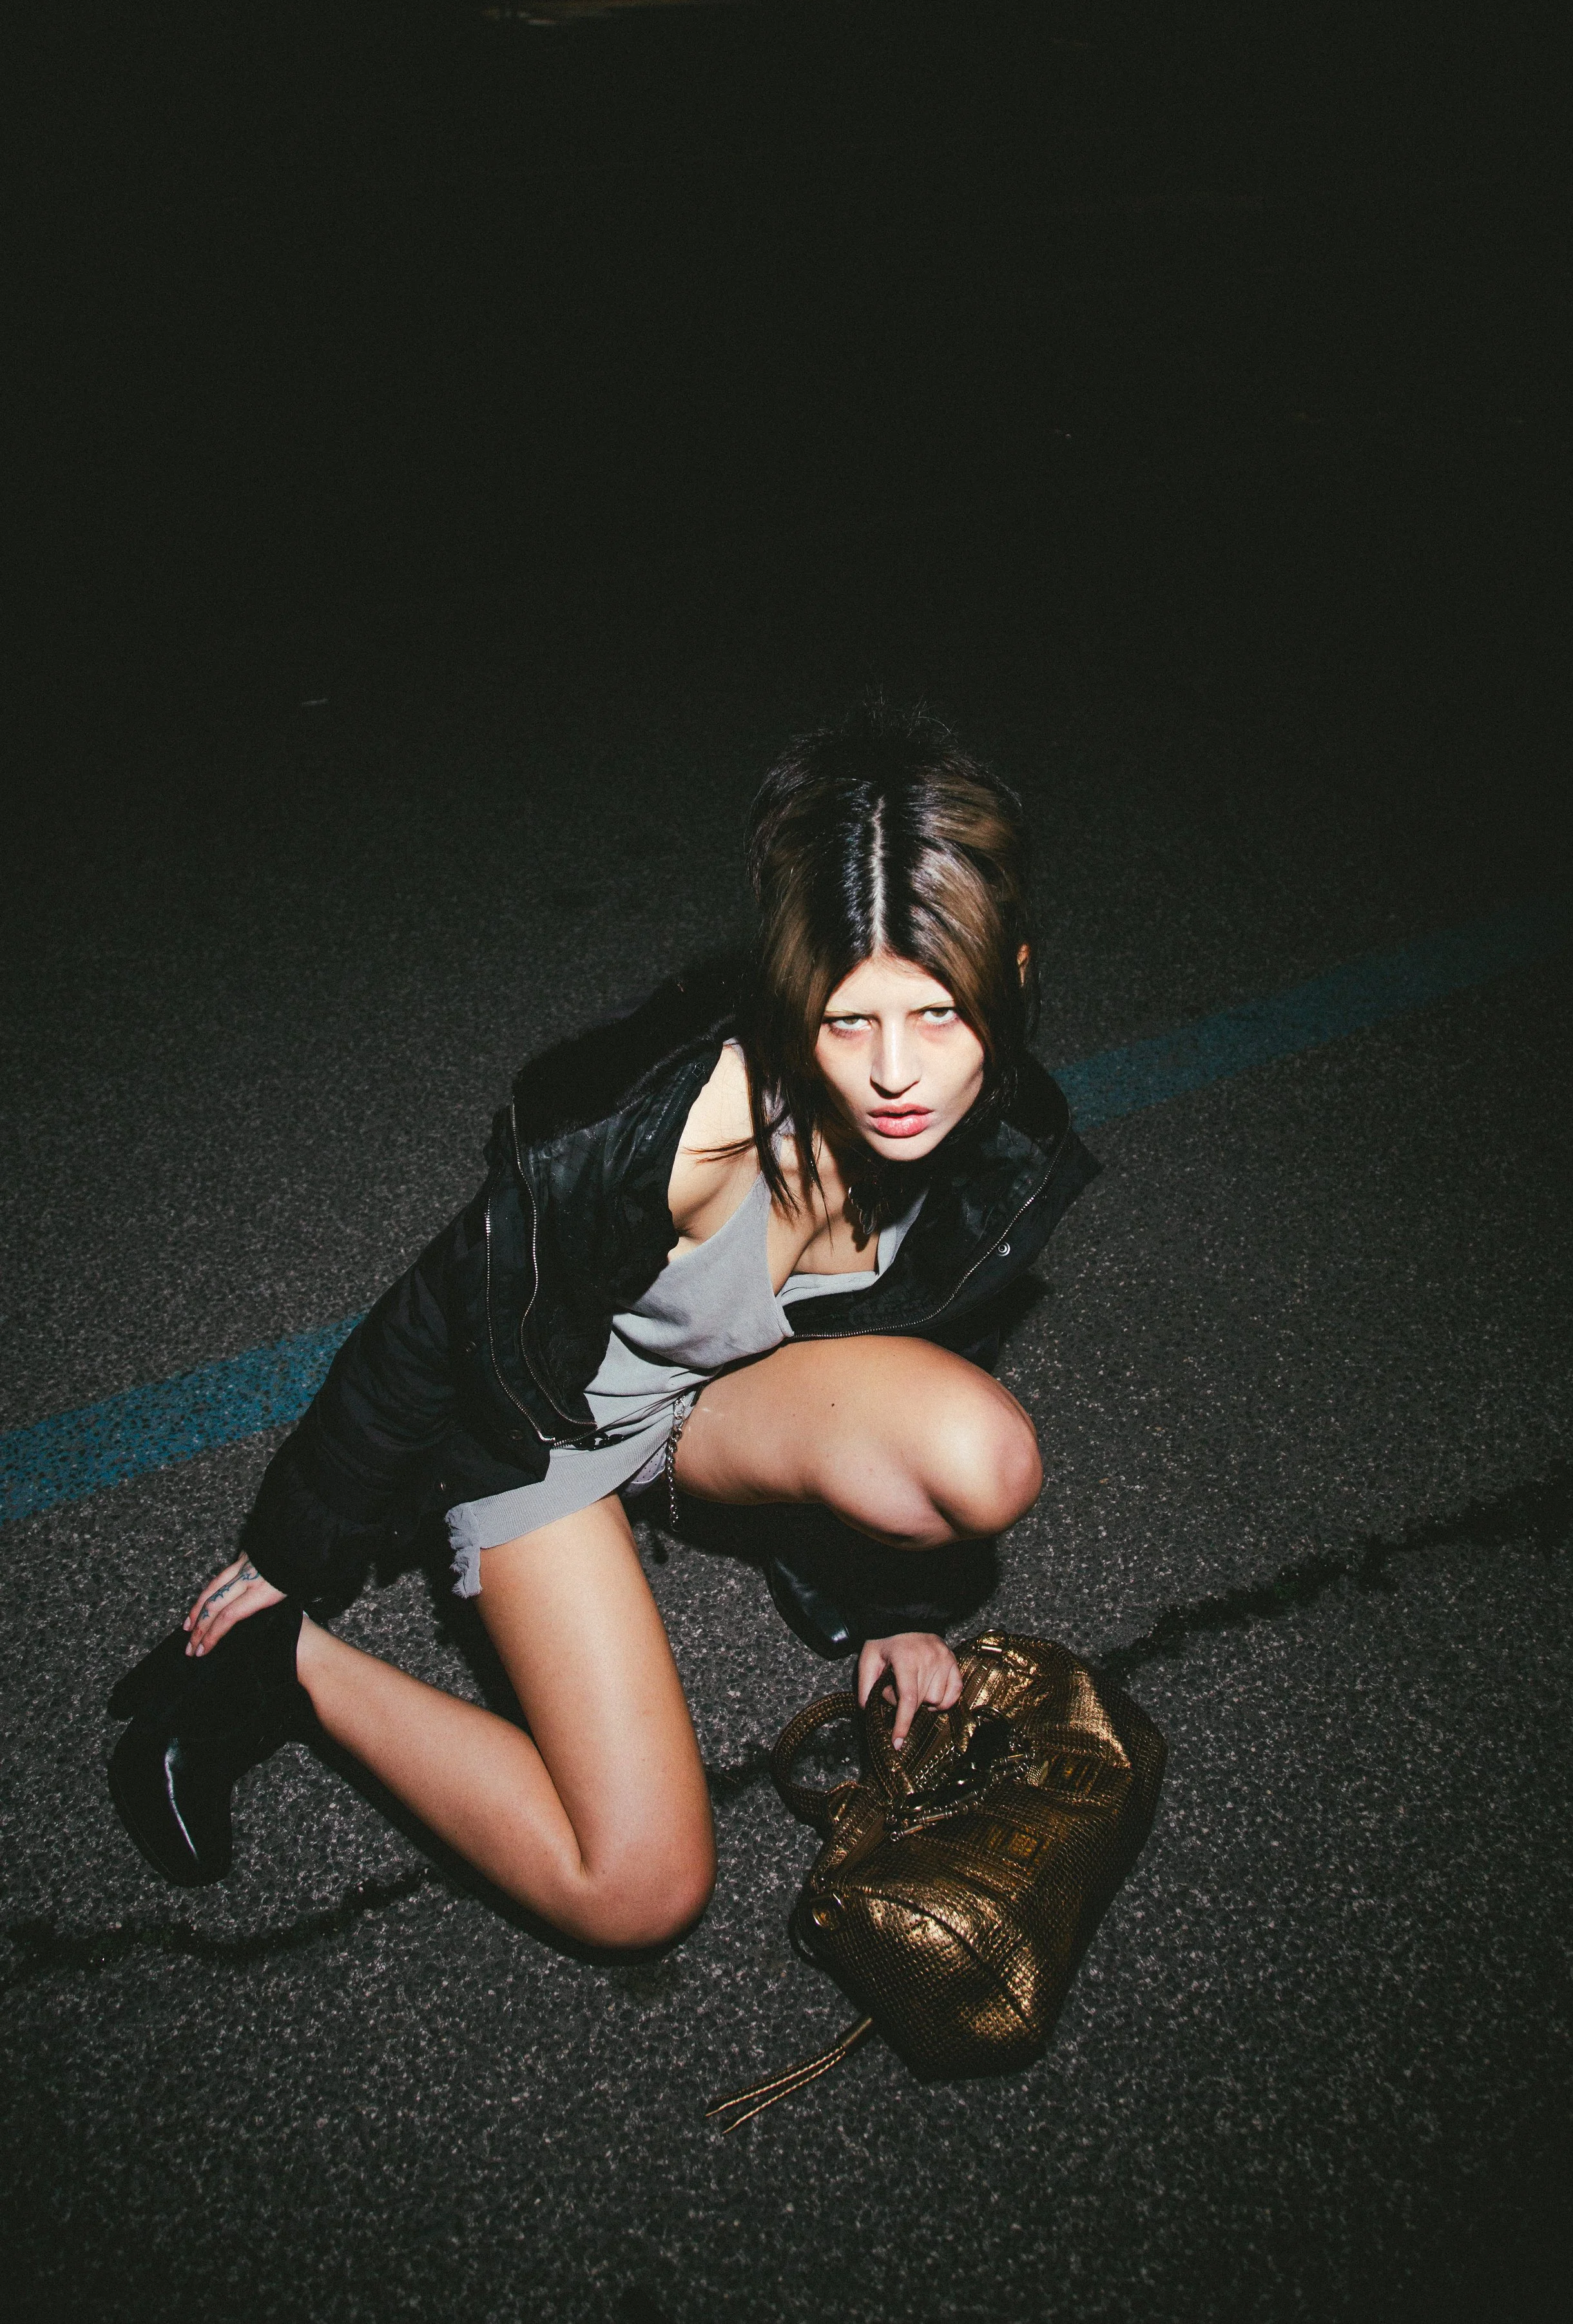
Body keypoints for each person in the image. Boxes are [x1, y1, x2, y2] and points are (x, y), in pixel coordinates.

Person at [106, 706, 1098, 1949]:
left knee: (988, 1456)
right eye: (851, 1018)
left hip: (716, 1408)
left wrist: (898, 1601)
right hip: (546, 1430)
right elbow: (437, 1317)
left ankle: (734, 1520)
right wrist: (289, 1553)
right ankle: (280, 1663)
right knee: (639, 1887)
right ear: (799, 994)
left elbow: (930, 1333)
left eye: (939, 1014)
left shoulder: (999, 1134)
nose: (898, 1074)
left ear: (1007, 979)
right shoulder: (674, 1124)